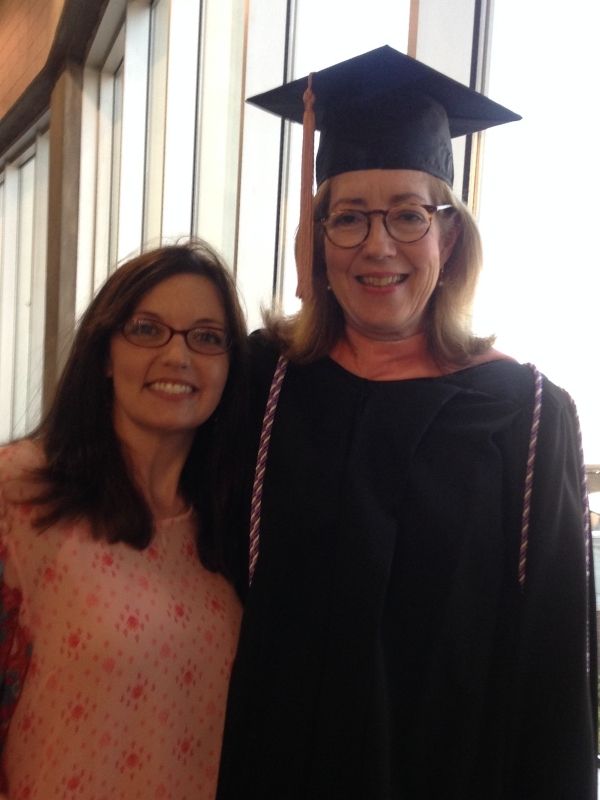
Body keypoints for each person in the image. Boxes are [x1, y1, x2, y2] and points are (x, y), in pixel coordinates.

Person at [216, 47, 597, 799]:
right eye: (348, 217)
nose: (377, 245)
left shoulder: (527, 418)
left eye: (408, 215)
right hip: (271, 766)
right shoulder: (263, 381)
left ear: (449, 238)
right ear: (318, 242)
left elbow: (555, 667)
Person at [0, 240, 247, 799]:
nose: (178, 357)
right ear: (105, 354)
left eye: (207, 338)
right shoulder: (19, 493)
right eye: (147, 329)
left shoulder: (229, 529)